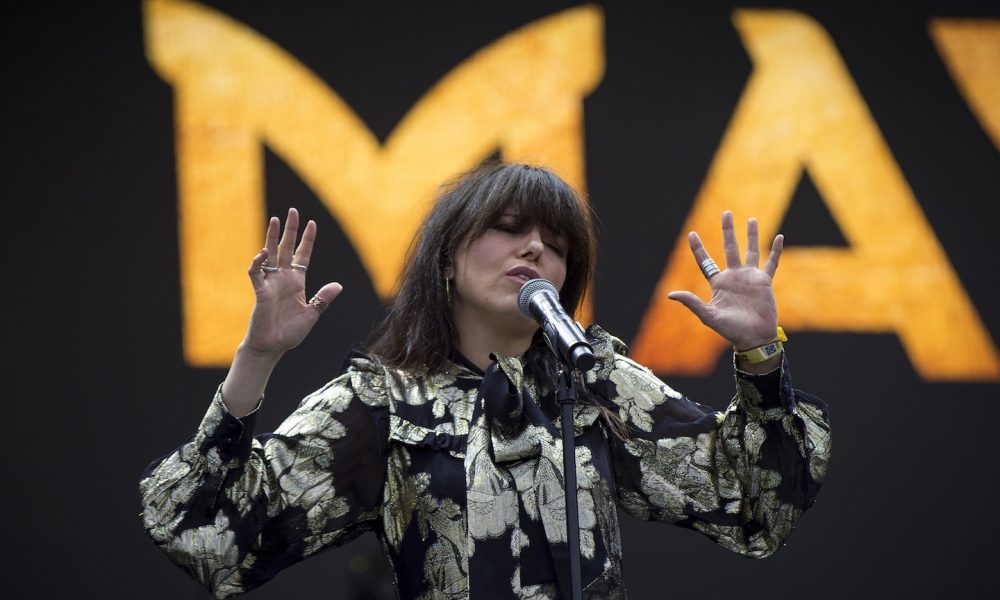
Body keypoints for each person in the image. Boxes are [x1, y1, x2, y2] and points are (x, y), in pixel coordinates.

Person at [140, 161, 831, 599]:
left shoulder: (595, 379)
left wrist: (761, 356)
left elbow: (751, 501)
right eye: (507, 230)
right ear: (447, 264)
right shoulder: (383, 401)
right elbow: (202, 531)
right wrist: (256, 358)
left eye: (556, 246)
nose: (535, 248)